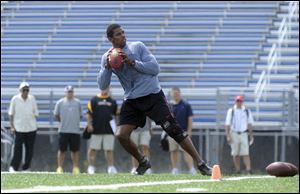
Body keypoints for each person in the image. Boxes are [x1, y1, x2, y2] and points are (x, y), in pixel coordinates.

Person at [97, 23, 212, 175]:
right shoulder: (107, 57)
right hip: (132, 99)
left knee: (174, 130)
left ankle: (201, 164)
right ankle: (143, 162)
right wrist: (107, 68)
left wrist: (133, 63)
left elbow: (155, 68)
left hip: (152, 95)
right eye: (118, 34)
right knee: (121, 135)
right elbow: (102, 85)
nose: (123, 35)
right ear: (110, 38)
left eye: (123, 32)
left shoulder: (137, 47)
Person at [8, 81, 39, 172]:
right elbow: (11, 114)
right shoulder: (15, 99)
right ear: (20, 90)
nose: (25, 92)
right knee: (17, 149)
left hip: (31, 128)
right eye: (24, 90)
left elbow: (36, 112)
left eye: (27, 90)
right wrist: (12, 126)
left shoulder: (32, 99)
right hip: (19, 128)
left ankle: (26, 167)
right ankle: (14, 167)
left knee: (30, 149)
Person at [86, 87, 118, 174]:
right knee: (93, 148)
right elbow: (89, 114)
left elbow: (117, 115)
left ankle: (111, 167)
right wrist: (89, 125)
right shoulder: (94, 99)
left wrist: (117, 128)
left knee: (109, 149)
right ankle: (91, 167)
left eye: (107, 88)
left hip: (109, 129)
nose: (105, 89)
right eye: (104, 87)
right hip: (96, 128)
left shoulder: (112, 101)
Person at [54, 85, 82, 174]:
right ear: (65, 93)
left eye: (71, 92)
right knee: (62, 150)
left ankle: (75, 168)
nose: (70, 93)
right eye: (68, 92)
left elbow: (80, 115)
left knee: (75, 151)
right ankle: (59, 167)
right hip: (63, 130)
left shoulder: (78, 103)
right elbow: (56, 115)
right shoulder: (60, 102)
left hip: (75, 130)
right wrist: (63, 122)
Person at [168, 87, 196, 175]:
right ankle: (175, 169)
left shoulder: (186, 105)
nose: (176, 95)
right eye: (174, 93)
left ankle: (191, 169)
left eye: (177, 93)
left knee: (186, 151)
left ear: (180, 93)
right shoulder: (169, 106)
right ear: (171, 94)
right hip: (172, 133)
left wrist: (189, 131)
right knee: (173, 151)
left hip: (183, 132)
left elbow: (190, 118)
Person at [225, 95, 254, 174]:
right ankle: (238, 170)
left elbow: (250, 124)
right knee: (235, 153)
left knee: (245, 153)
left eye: (240, 101)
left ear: (242, 102)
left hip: (244, 133)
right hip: (234, 133)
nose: (238, 102)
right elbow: (227, 124)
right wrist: (228, 136)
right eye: (237, 101)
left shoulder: (247, 111)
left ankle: (248, 169)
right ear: (235, 101)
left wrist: (251, 136)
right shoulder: (231, 111)